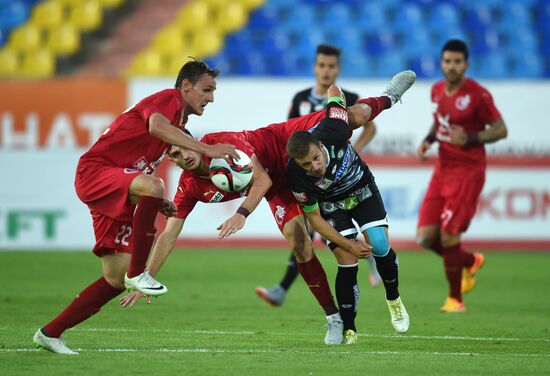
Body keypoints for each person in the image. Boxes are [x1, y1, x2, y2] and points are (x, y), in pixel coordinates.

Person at [120, 71, 415, 345]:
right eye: (174, 155)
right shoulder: (189, 187)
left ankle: (388, 97)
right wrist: (146, 275)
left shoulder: (223, 144)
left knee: (347, 118)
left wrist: (242, 213)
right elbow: (169, 235)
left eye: (181, 146)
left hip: (285, 144)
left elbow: (259, 179)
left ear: (189, 139)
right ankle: (334, 318)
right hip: (281, 185)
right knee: (300, 244)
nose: (182, 156)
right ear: (171, 160)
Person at [33, 60, 239, 355]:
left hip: (117, 185)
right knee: (153, 185)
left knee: (115, 279)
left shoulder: (179, 125)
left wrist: (154, 201)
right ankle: (140, 273)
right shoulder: (168, 101)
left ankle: (50, 333)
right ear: (185, 86)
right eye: (207, 90)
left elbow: (149, 155)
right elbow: (155, 126)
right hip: (96, 172)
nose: (211, 98)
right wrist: (206, 148)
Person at [285, 71, 416, 344]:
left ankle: (393, 299)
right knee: (347, 261)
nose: (315, 167)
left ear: (321, 145)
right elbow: (315, 220)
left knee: (379, 245)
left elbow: (336, 92)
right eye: (307, 165)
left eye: (316, 159)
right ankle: (349, 329)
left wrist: (379, 101)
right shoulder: (295, 174)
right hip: (331, 205)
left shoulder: (334, 128)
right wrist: (350, 246)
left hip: (361, 188)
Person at [256, 44, 381, 309]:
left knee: (312, 229)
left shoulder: (347, 97)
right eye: (322, 65)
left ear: (338, 69)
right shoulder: (301, 98)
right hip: (308, 177)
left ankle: (282, 288)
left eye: (331, 66)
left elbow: (370, 126)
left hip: (337, 177)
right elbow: (289, 138)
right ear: (315, 68)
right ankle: (365, 255)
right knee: (307, 230)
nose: (326, 71)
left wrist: (352, 149)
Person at [415, 39, 508, 313]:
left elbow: (501, 129)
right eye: (447, 61)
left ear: (466, 65)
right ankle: (469, 262)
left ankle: (455, 300)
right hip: (442, 170)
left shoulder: (478, 95)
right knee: (424, 238)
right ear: (441, 63)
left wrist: (471, 137)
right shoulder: (436, 90)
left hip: (467, 173)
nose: (452, 66)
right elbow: (440, 120)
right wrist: (428, 140)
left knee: (448, 237)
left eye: (457, 62)